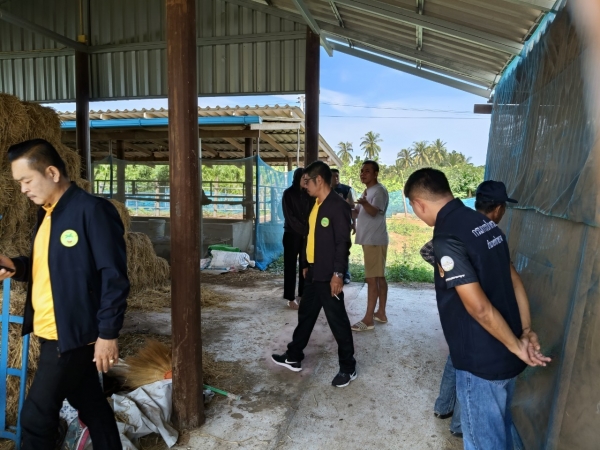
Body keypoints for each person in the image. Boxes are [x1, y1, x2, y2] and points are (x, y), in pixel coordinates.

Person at [405, 168, 550, 450]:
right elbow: (515, 280)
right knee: (502, 428)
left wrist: (517, 346)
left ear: (418, 204)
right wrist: (525, 331)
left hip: (481, 360)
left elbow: (479, 308)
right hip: (506, 350)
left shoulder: (446, 237)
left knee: (485, 441)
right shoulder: (485, 224)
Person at [0, 139, 129, 449]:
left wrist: (108, 334)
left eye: (26, 180)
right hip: (51, 331)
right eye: (19, 183)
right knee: (92, 405)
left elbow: (114, 276)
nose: (22, 189)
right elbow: (51, 267)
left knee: (35, 418)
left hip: (70, 337)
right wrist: (16, 266)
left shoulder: (92, 211)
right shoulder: (47, 214)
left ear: (52, 173)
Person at [423, 180, 530, 440]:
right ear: (499, 208)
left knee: (461, 368)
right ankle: (456, 420)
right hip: (488, 336)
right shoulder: (492, 232)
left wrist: (446, 272)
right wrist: (521, 338)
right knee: (468, 376)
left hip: (477, 339)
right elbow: (491, 300)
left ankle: (448, 412)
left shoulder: (457, 228)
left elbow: (480, 308)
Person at [271, 161, 356, 387]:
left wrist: (338, 274)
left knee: (337, 321)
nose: (305, 185)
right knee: (306, 315)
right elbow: (311, 237)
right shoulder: (315, 204)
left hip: (329, 275)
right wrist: (307, 263)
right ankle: (294, 356)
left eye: (307, 181)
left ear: (319, 180)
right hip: (314, 272)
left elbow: (343, 243)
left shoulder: (337, 206)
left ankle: (348, 367)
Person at [351, 160, 389, 331]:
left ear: (375, 174)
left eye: (367, 171)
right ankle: (381, 313)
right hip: (370, 240)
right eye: (361, 171)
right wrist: (345, 206)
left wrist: (364, 203)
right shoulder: (367, 191)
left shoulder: (379, 190)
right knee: (378, 277)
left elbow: (374, 211)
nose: (363, 174)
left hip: (374, 240)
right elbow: (357, 213)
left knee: (372, 279)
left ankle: (368, 320)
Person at [282, 168, 312, 309]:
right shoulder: (288, 193)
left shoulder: (308, 194)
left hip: (305, 235)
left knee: (305, 265)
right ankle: (290, 298)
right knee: (290, 266)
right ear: (297, 178)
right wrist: (304, 229)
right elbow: (289, 217)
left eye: (307, 179)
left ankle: (303, 294)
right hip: (291, 234)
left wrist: (307, 231)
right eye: (303, 178)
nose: (306, 181)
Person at [331, 168, 354, 284]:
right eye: (333, 176)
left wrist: (354, 223)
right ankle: (333, 274)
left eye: (337, 176)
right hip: (330, 226)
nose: (336, 178)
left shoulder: (346, 189)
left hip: (344, 224)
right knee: (331, 250)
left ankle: (346, 274)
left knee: (344, 249)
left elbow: (352, 206)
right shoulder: (326, 190)